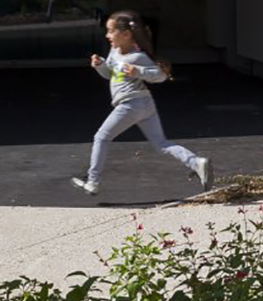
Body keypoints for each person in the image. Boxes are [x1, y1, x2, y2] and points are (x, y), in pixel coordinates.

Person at [72, 10, 213, 195]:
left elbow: (160, 75)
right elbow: (110, 74)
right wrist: (101, 65)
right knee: (161, 144)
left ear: (126, 34)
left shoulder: (138, 57)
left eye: (110, 31)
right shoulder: (114, 52)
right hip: (145, 105)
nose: (107, 36)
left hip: (130, 105)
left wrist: (138, 71)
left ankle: (93, 181)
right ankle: (196, 162)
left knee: (101, 137)